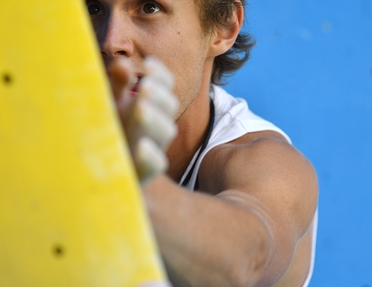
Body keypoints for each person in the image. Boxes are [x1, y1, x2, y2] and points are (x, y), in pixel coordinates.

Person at [87, 0, 319, 286]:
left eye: (149, 8)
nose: (110, 42)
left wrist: (141, 191)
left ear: (223, 28)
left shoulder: (266, 162)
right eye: (93, 8)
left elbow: (247, 260)